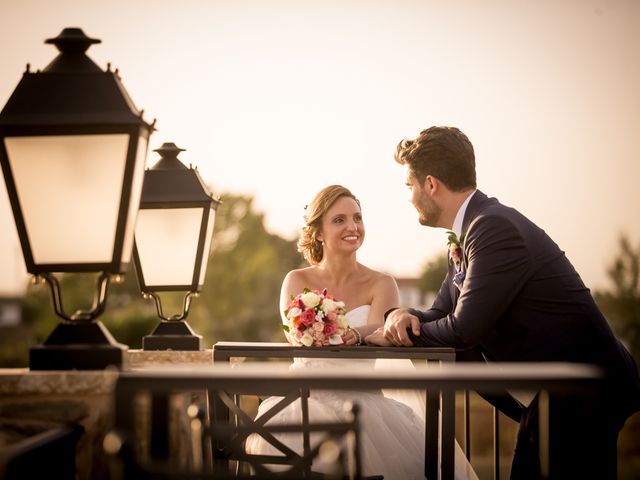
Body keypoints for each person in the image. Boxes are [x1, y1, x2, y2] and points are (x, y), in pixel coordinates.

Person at [365, 126, 640, 479]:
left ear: (430, 184)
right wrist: (401, 316)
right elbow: (440, 313)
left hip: (583, 389)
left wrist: (400, 337)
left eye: (409, 186)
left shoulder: (492, 229)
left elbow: (464, 328)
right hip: (555, 394)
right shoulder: (472, 232)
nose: (408, 196)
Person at [245, 185, 478, 480]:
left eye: (357, 217)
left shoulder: (382, 283)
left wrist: (346, 331)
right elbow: (296, 337)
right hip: (302, 400)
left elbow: (382, 329)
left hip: (363, 402)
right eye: (339, 220)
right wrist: (335, 330)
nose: (352, 227)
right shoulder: (296, 280)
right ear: (318, 232)